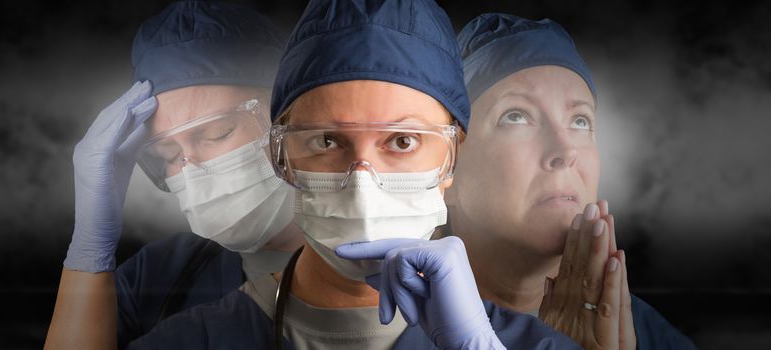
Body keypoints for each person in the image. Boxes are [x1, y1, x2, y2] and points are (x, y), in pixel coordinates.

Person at [126, 0, 581, 349]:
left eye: (402, 141)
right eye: (326, 141)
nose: (362, 184)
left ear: (452, 159)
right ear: (280, 158)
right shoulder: (190, 338)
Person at [44, 2, 304, 349]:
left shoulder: (388, 263)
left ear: (286, 118)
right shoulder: (161, 274)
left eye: (217, 133)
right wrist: (88, 249)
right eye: (168, 155)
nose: (191, 171)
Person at [449, 13, 697, 349]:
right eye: (516, 116)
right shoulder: (384, 328)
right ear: (448, 165)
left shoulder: (653, 338)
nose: (565, 150)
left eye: (580, 121)